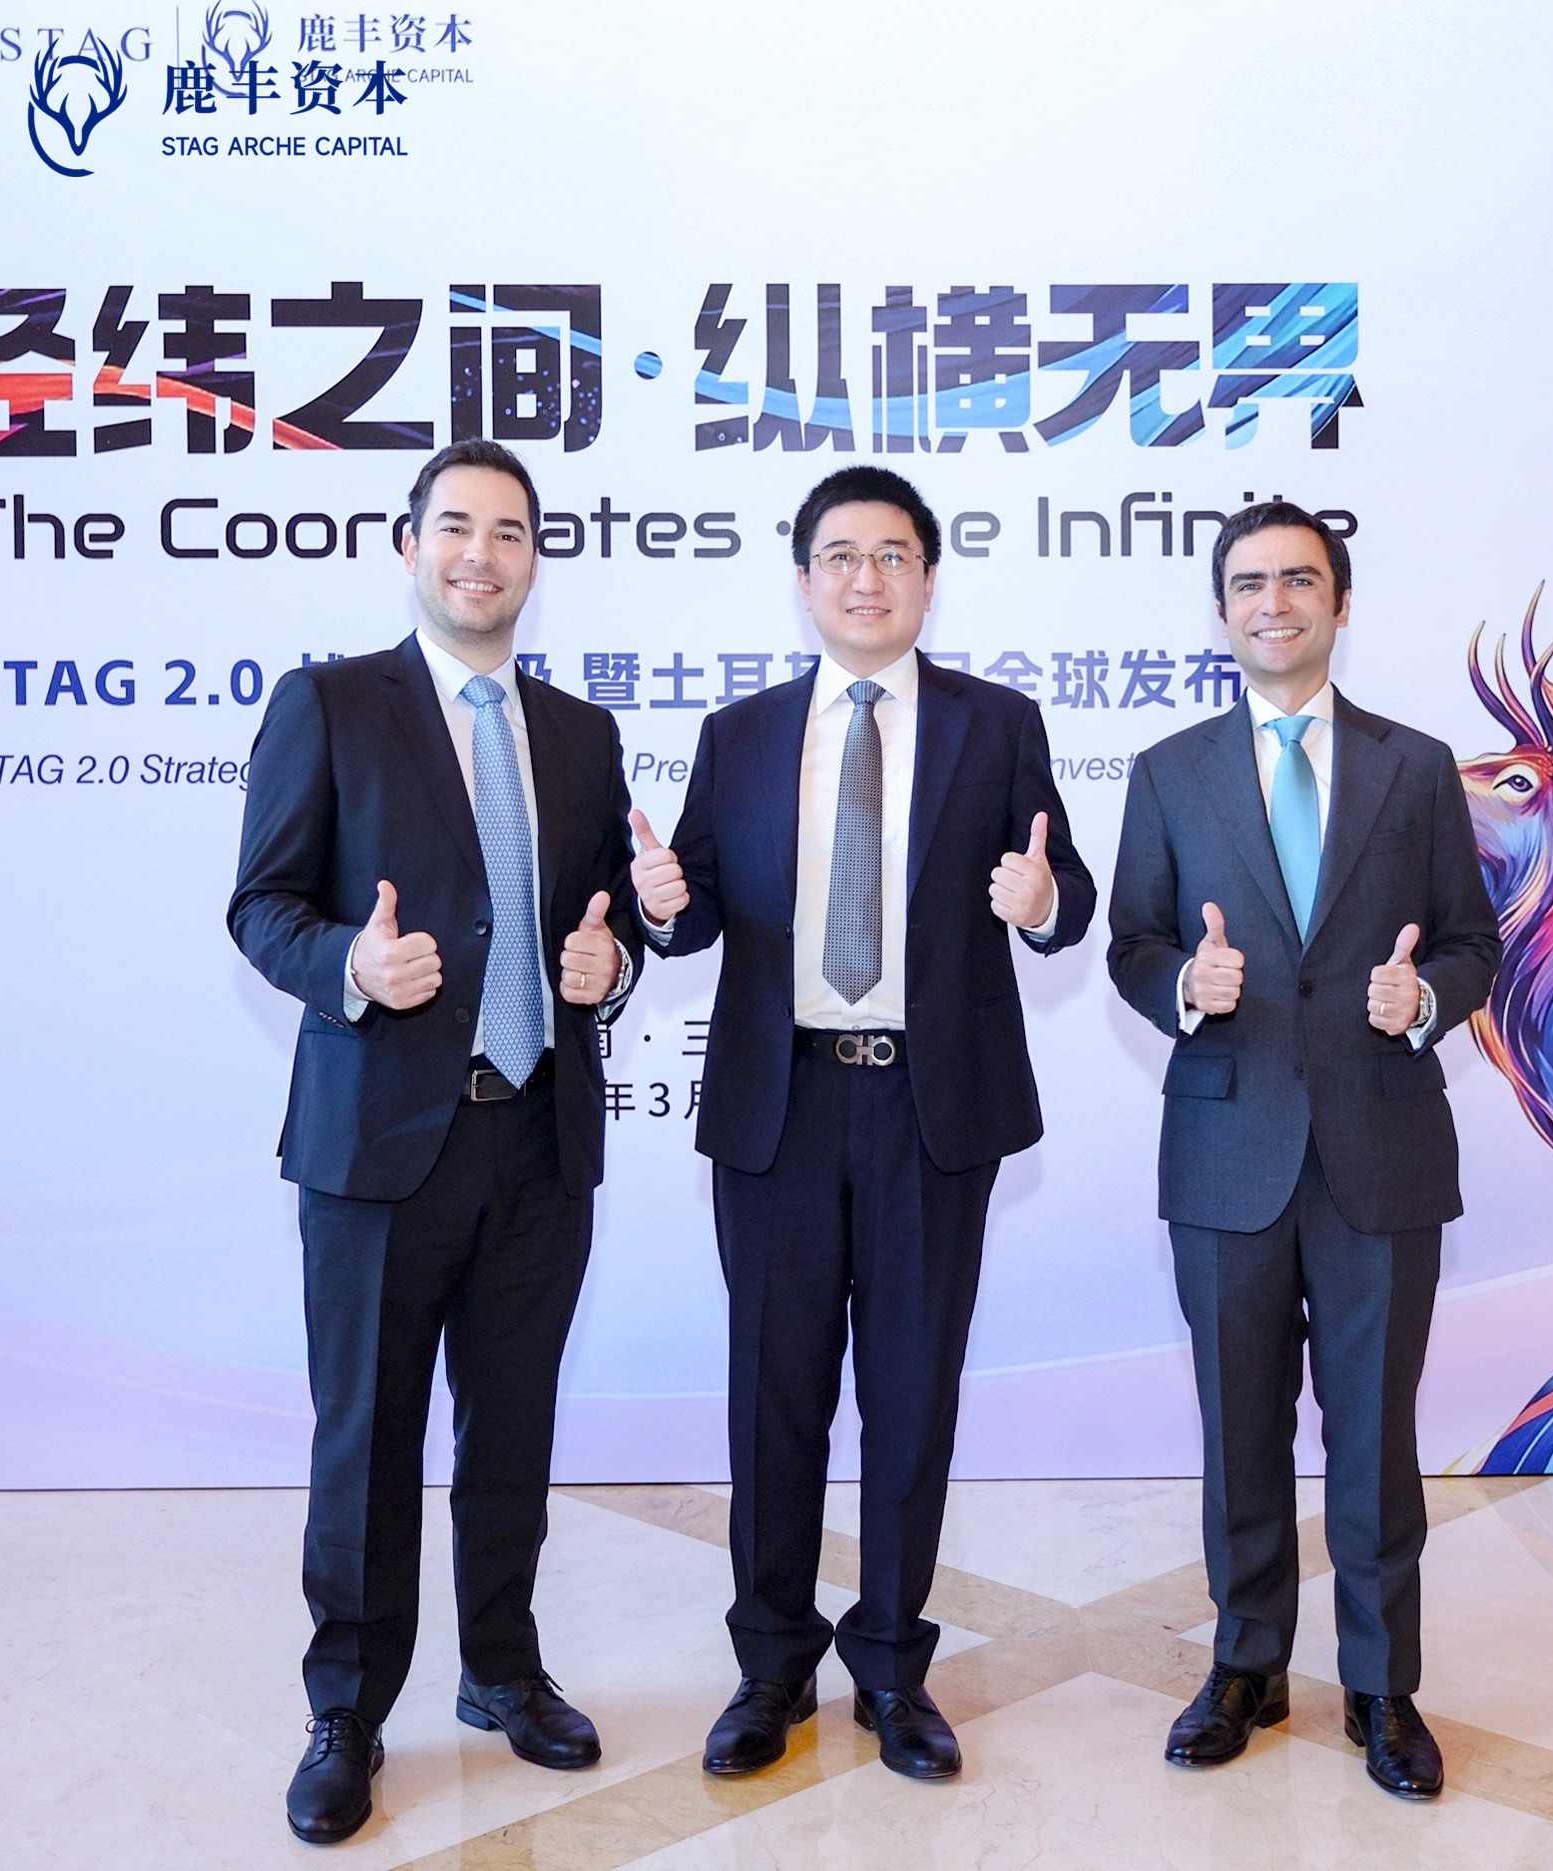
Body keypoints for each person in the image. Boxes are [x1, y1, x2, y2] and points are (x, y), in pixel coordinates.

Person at [629, 465, 1096, 1781]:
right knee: (772, 1398)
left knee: (909, 1394)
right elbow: (692, 912)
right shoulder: (740, 734)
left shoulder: (996, 724)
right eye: (840, 555)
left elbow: (1068, 895)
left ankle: (891, 1664)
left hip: (927, 1109)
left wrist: (1042, 903)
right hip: (779, 1106)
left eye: (892, 555)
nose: (865, 578)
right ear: (803, 582)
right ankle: (770, 1667)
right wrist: (661, 901)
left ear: (928, 579)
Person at [228, 439, 643, 1845]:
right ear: (409, 546)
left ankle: (502, 1670)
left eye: (509, 531)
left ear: (535, 560)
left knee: (511, 1426)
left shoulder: (581, 735)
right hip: (377, 1145)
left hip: (538, 1136)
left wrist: (608, 971)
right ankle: (347, 1710)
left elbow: (607, 928)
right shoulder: (330, 704)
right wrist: (352, 964)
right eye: (455, 526)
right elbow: (262, 906)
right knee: (366, 1435)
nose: (482, 553)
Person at [1105, 500, 1500, 1802]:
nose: (1271, 602)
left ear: (1338, 602)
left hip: (1381, 1146)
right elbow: (1131, 941)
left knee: (1374, 1433)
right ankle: (1246, 1663)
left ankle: (1382, 1686)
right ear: (1221, 610)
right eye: (1247, 583)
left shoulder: (1415, 766)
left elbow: (1472, 943)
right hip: (1228, 1148)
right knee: (1238, 1426)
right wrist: (1187, 981)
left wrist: (1424, 998)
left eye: (1296, 580)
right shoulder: (1169, 772)